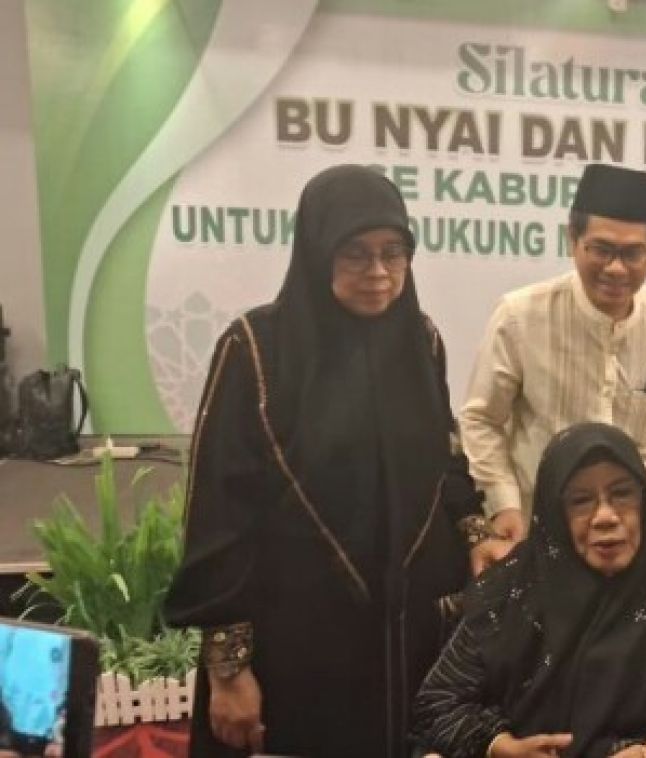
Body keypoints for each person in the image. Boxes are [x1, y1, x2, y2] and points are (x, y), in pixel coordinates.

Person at [164, 165, 510, 758]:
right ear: (317, 251)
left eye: (393, 253)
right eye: (355, 254)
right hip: (293, 645)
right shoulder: (256, 348)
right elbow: (219, 513)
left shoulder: (419, 340)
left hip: (404, 643)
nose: (378, 273)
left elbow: (444, 455)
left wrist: (475, 531)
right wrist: (229, 669)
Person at [411, 423, 646, 758]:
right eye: (581, 500)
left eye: (622, 493)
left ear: (644, 500)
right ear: (554, 513)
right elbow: (438, 702)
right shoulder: (510, 591)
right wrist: (504, 747)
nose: (605, 516)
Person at [460, 163, 646, 556]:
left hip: (631, 539)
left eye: (632, 253)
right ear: (572, 240)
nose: (616, 268)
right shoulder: (520, 316)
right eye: (601, 249)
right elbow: (481, 419)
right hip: (538, 533)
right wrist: (504, 504)